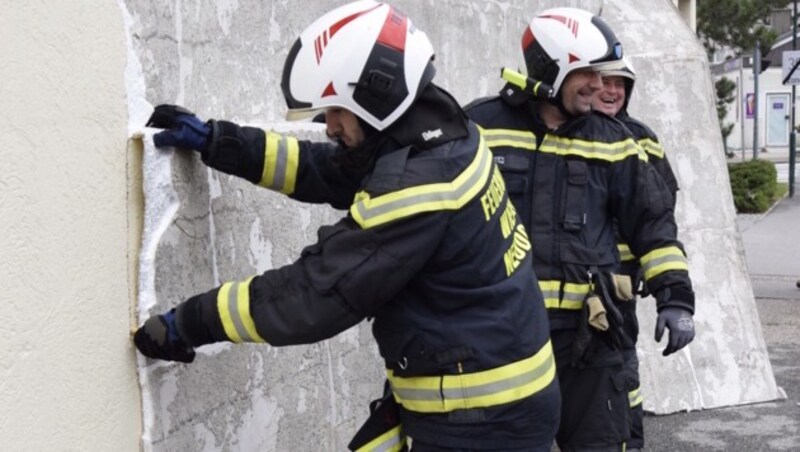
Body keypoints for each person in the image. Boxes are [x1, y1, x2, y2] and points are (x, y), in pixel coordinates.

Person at [133, 1, 560, 451]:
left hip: (478, 419)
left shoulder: (420, 183)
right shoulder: (440, 130)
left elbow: (316, 294)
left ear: (377, 95)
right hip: (486, 392)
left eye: (336, 110)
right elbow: (333, 170)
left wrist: (191, 323)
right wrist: (221, 143)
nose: (329, 125)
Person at [465, 7, 696, 452]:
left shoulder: (614, 138)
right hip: (503, 334)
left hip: (591, 335)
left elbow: (653, 223)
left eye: (606, 74)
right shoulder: (478, 127)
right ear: (551, 69)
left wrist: (676, 296)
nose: (599, 84)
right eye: (587, 72)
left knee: (601, 444)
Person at [592, 56, 680, 452]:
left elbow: (660, 212)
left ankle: (630, 443)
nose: (612, 91)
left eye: (621, 84)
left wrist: (671, 291)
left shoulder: (641, 137)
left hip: (620, 284)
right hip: (563, 285)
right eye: (605, 82)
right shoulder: (560, 136)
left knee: (622, 376)